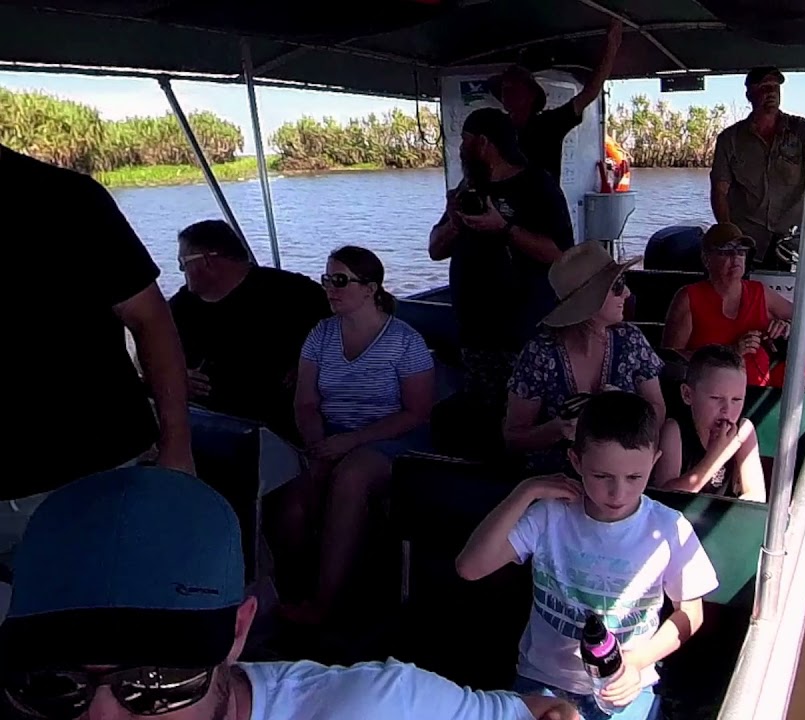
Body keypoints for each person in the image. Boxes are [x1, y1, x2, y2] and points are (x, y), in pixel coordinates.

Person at [0, 466, 580, 720]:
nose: (102, 719)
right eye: (55, 687)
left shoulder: (366, 709)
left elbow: (549, 711)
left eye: (154, 685)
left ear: (238, 632)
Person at [457, 392, 719, 720]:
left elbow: (691, 614)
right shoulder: (550, 516)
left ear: (654, 461)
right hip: (543, 680)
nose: (618, 492)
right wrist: (527, 491)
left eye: (634, 478)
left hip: (627, 684)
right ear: (577, 461)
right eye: (602, 476)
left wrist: (636, 663)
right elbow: (470, 567)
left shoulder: (668, 527)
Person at [1, 144, 193, 566]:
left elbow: (151, 321)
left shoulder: (64, 197)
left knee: (102, 619)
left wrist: (177, 446)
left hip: (89, 471)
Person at [281, 246, 435, 624]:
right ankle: (288, 589)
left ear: (370, 289)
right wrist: (317, 443)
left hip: (395, 438)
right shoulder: (320, 334)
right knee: (293, 495)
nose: (330, 288)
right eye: (326, 280)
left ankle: (326, 603)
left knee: (352, 477)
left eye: (340, 280)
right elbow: (305, 402)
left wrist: (350, 442)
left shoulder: (406, 342)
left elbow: (417, 412)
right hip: (331, 435)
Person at [429, 108, 574, 429]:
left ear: (483, 143)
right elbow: (434, 250)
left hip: (525, 331)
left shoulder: (538, 185)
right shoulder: (468, 188)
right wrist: (454, 223)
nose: (460, 149)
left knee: (530, 417)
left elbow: (560, 253)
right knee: (484, 418)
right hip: (475, 331)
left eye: (464, 141)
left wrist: (504, 228)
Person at [506, 242, 666, 476]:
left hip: (622, 477)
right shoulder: (540, 353)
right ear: (590, 300)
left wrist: (624, 411)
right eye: (618, 286)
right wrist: (560, 429)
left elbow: (658, 409)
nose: (627, 293)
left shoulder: (630, 341)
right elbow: (513, 439)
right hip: (556, 480)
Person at [169, 219, 331, 442]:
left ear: (207, 261)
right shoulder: (180, 306)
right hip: (204, 422)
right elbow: (147, 356)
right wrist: (176, 379)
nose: (180, 270)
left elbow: (349, 337)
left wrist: (309, 366)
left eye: (182, 262)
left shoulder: (294, 292)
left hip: (280, 425)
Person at [710, 66, 805, 252]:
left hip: (793, 238)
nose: (771, 93)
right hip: (747, 238)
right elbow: (719, 190)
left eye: (775, 88)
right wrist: (728, 232)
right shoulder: (729, 138)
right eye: (764, 88)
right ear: (749, 95)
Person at [662, 223, 796, 386]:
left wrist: (787, 326)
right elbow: (671, 360)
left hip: (759, 387)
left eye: (741, 252)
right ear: (706, 259)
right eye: (726, 252)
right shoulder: (689, 298)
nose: (736, 258)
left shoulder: (759, 292)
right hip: (710, 391)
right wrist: (729, 353)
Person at [490, 19, 623, 182]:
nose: (507, 92)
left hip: (545, 205)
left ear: (531, 94)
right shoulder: (497, 129)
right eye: (504, 88)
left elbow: (589, 92)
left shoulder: (549, 124)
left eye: (514, 88)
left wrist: (611, 47)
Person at [654, 345, 766, 501]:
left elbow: (756, 495)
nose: (726, 409)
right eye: (716, 398)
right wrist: (717, 456)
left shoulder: (743, 432)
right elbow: (664, 498)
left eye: (736, 400)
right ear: (687, 395)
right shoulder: (675, 430)